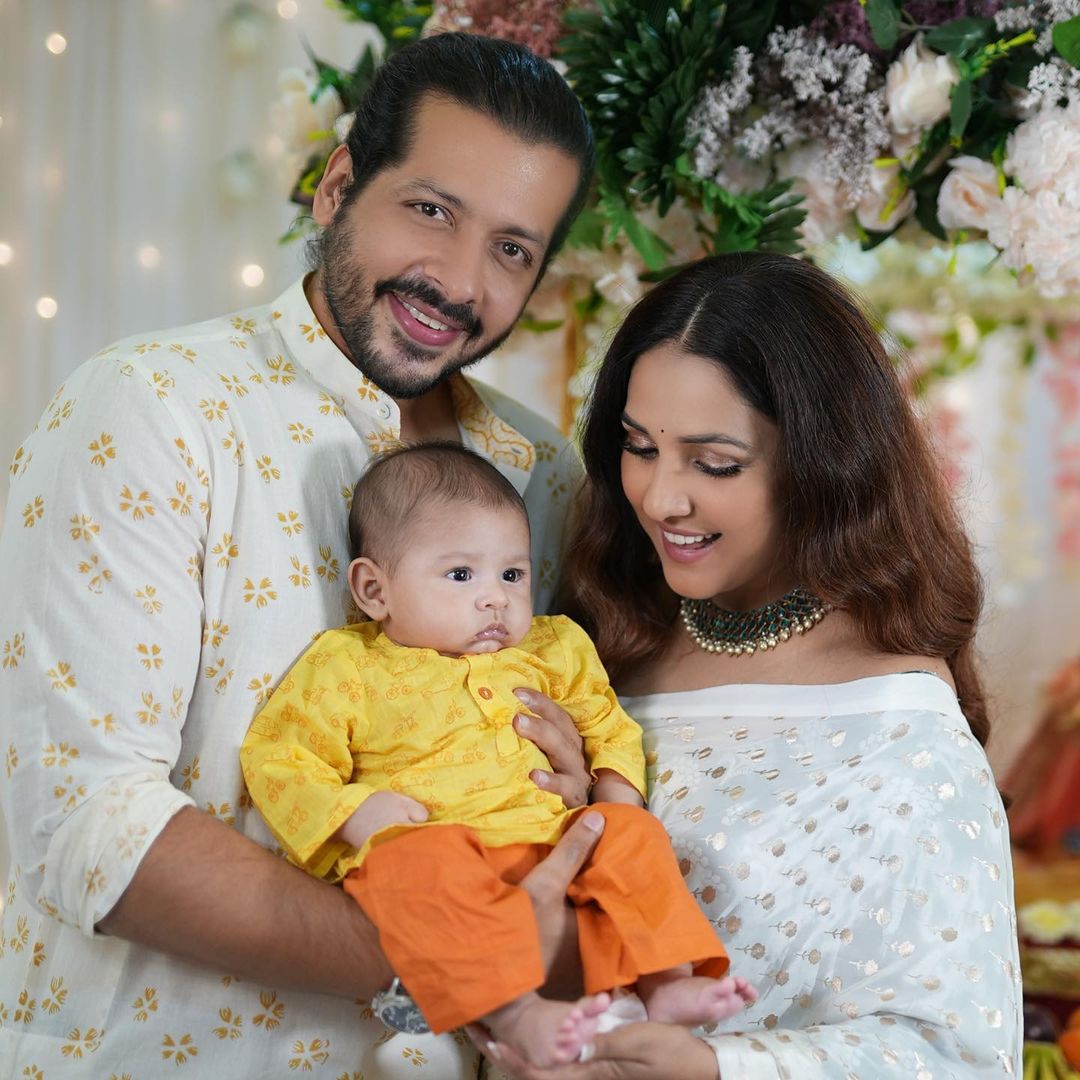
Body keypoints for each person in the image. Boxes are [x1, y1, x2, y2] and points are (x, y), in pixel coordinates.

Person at [0, 32, 607, 1079]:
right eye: (431, 210)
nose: (459, 281)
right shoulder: (153, 408)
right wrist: (459, 955)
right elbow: (85, 820)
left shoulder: (544, 473)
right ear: (337, 186)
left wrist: (576, 797)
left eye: (512, 250)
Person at [472, 253, 1022, 1079]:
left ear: (822, 464)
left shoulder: (900, 727)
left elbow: (959, 1055)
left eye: (715, 463)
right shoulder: (593, 640)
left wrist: (717, 1068)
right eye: (639, 446)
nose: (661, 498)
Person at [240, 442, 753, 1066]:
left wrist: (616, 793)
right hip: (446, 851)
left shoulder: (554, 646)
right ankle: (515, 1011)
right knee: (410, 862)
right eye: (461, 575)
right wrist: (354, 813)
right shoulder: (348, 665)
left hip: (558, 839)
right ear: (375, 589)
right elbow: (280, 755)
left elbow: (605, 721)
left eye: (512, 575)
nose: (495, 598)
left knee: (633, 833)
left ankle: (666, 981)